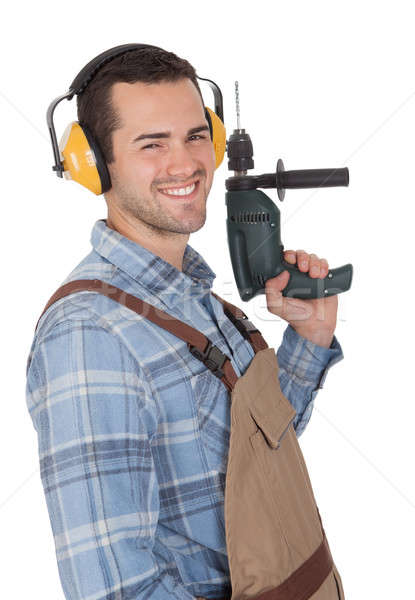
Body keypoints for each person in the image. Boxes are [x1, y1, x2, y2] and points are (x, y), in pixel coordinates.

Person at [25, 45, 344, 600]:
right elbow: (115, 590)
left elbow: (261, 457)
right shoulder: (90, 336)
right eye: (152, 144)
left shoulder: (201, 301)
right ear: (94, 164)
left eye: (196, 136)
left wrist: (309, 337)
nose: (185, 164)